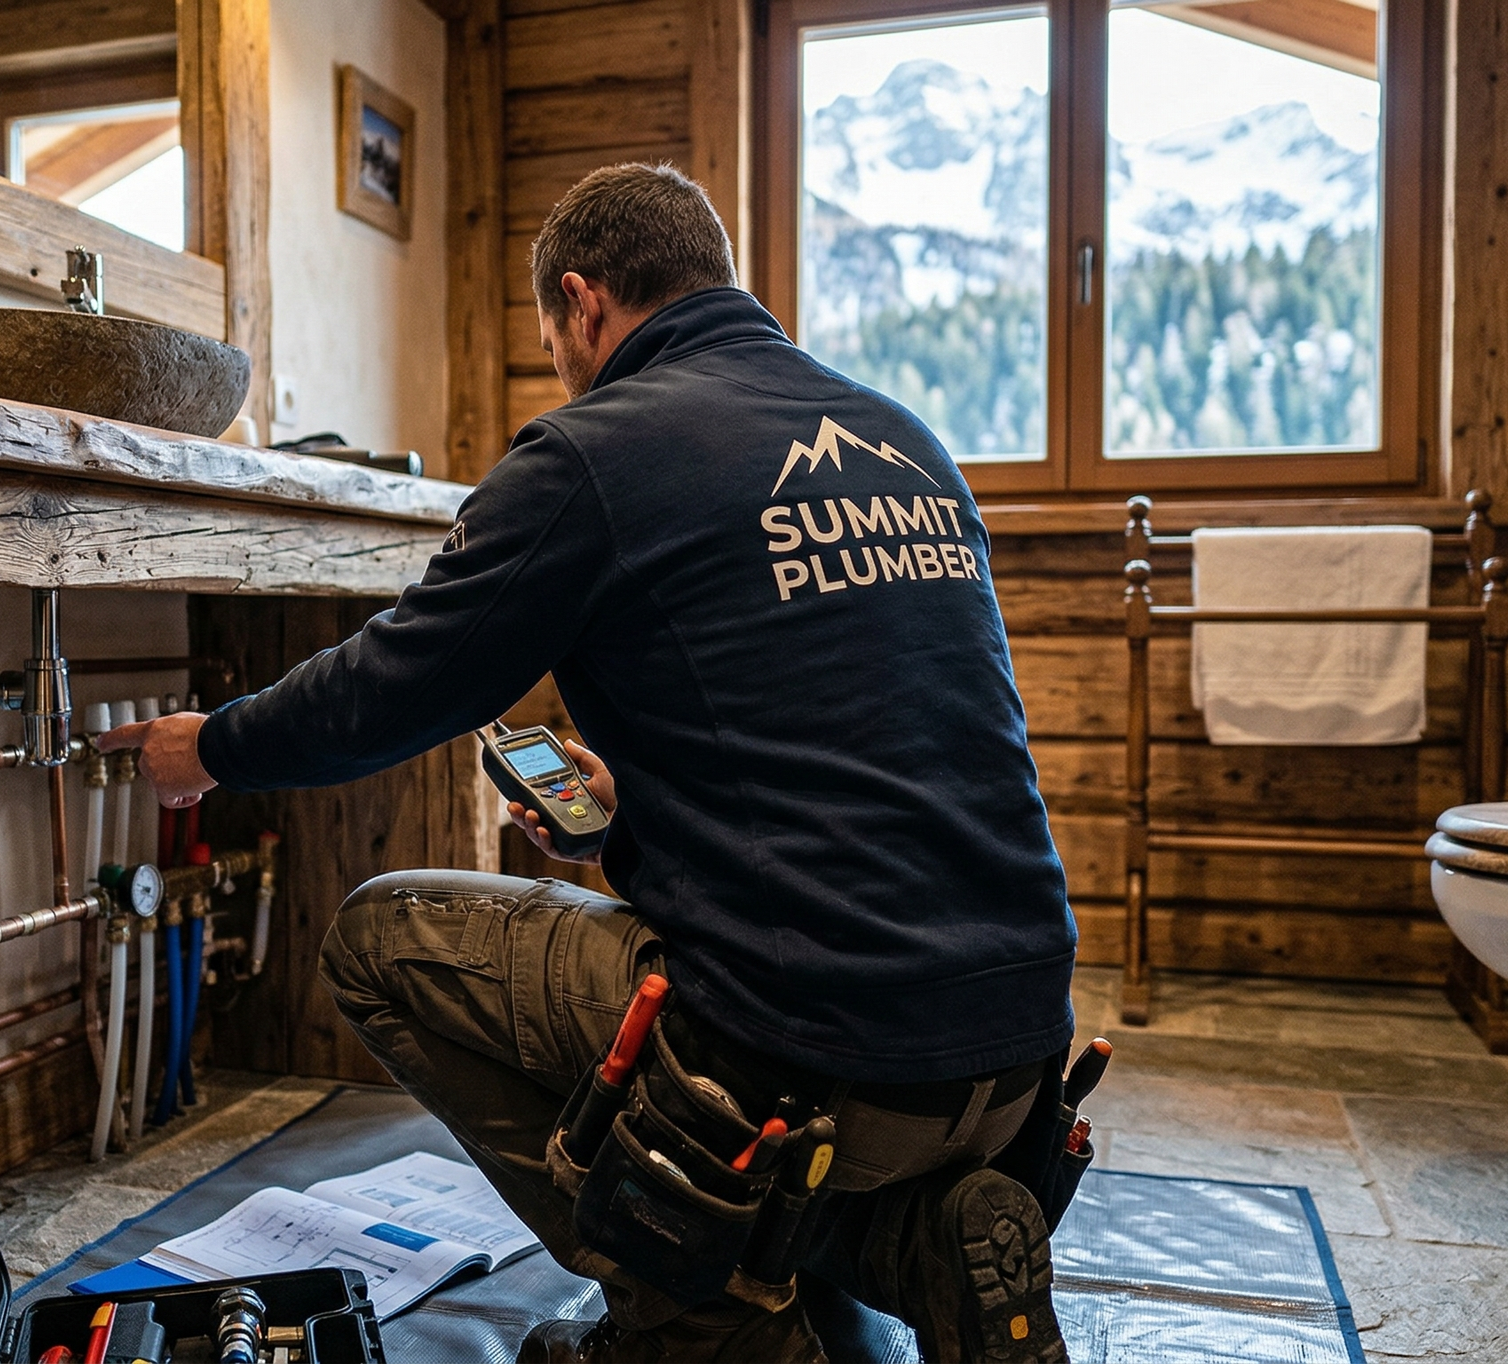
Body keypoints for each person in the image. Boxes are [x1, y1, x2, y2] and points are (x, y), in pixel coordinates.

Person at [99, 162, 1076, 1364]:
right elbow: (855, 755)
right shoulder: (901, 437)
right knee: (785, 1030)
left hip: (818, 1051)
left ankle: (695, 1305)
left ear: (583, 301)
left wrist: (211, 744)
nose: (559, 361)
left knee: (373, 939)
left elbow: (393, 685)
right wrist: (623, 818)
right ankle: (910, 1241)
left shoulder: (594, 451)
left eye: (554, 335)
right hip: (1016, 1061)